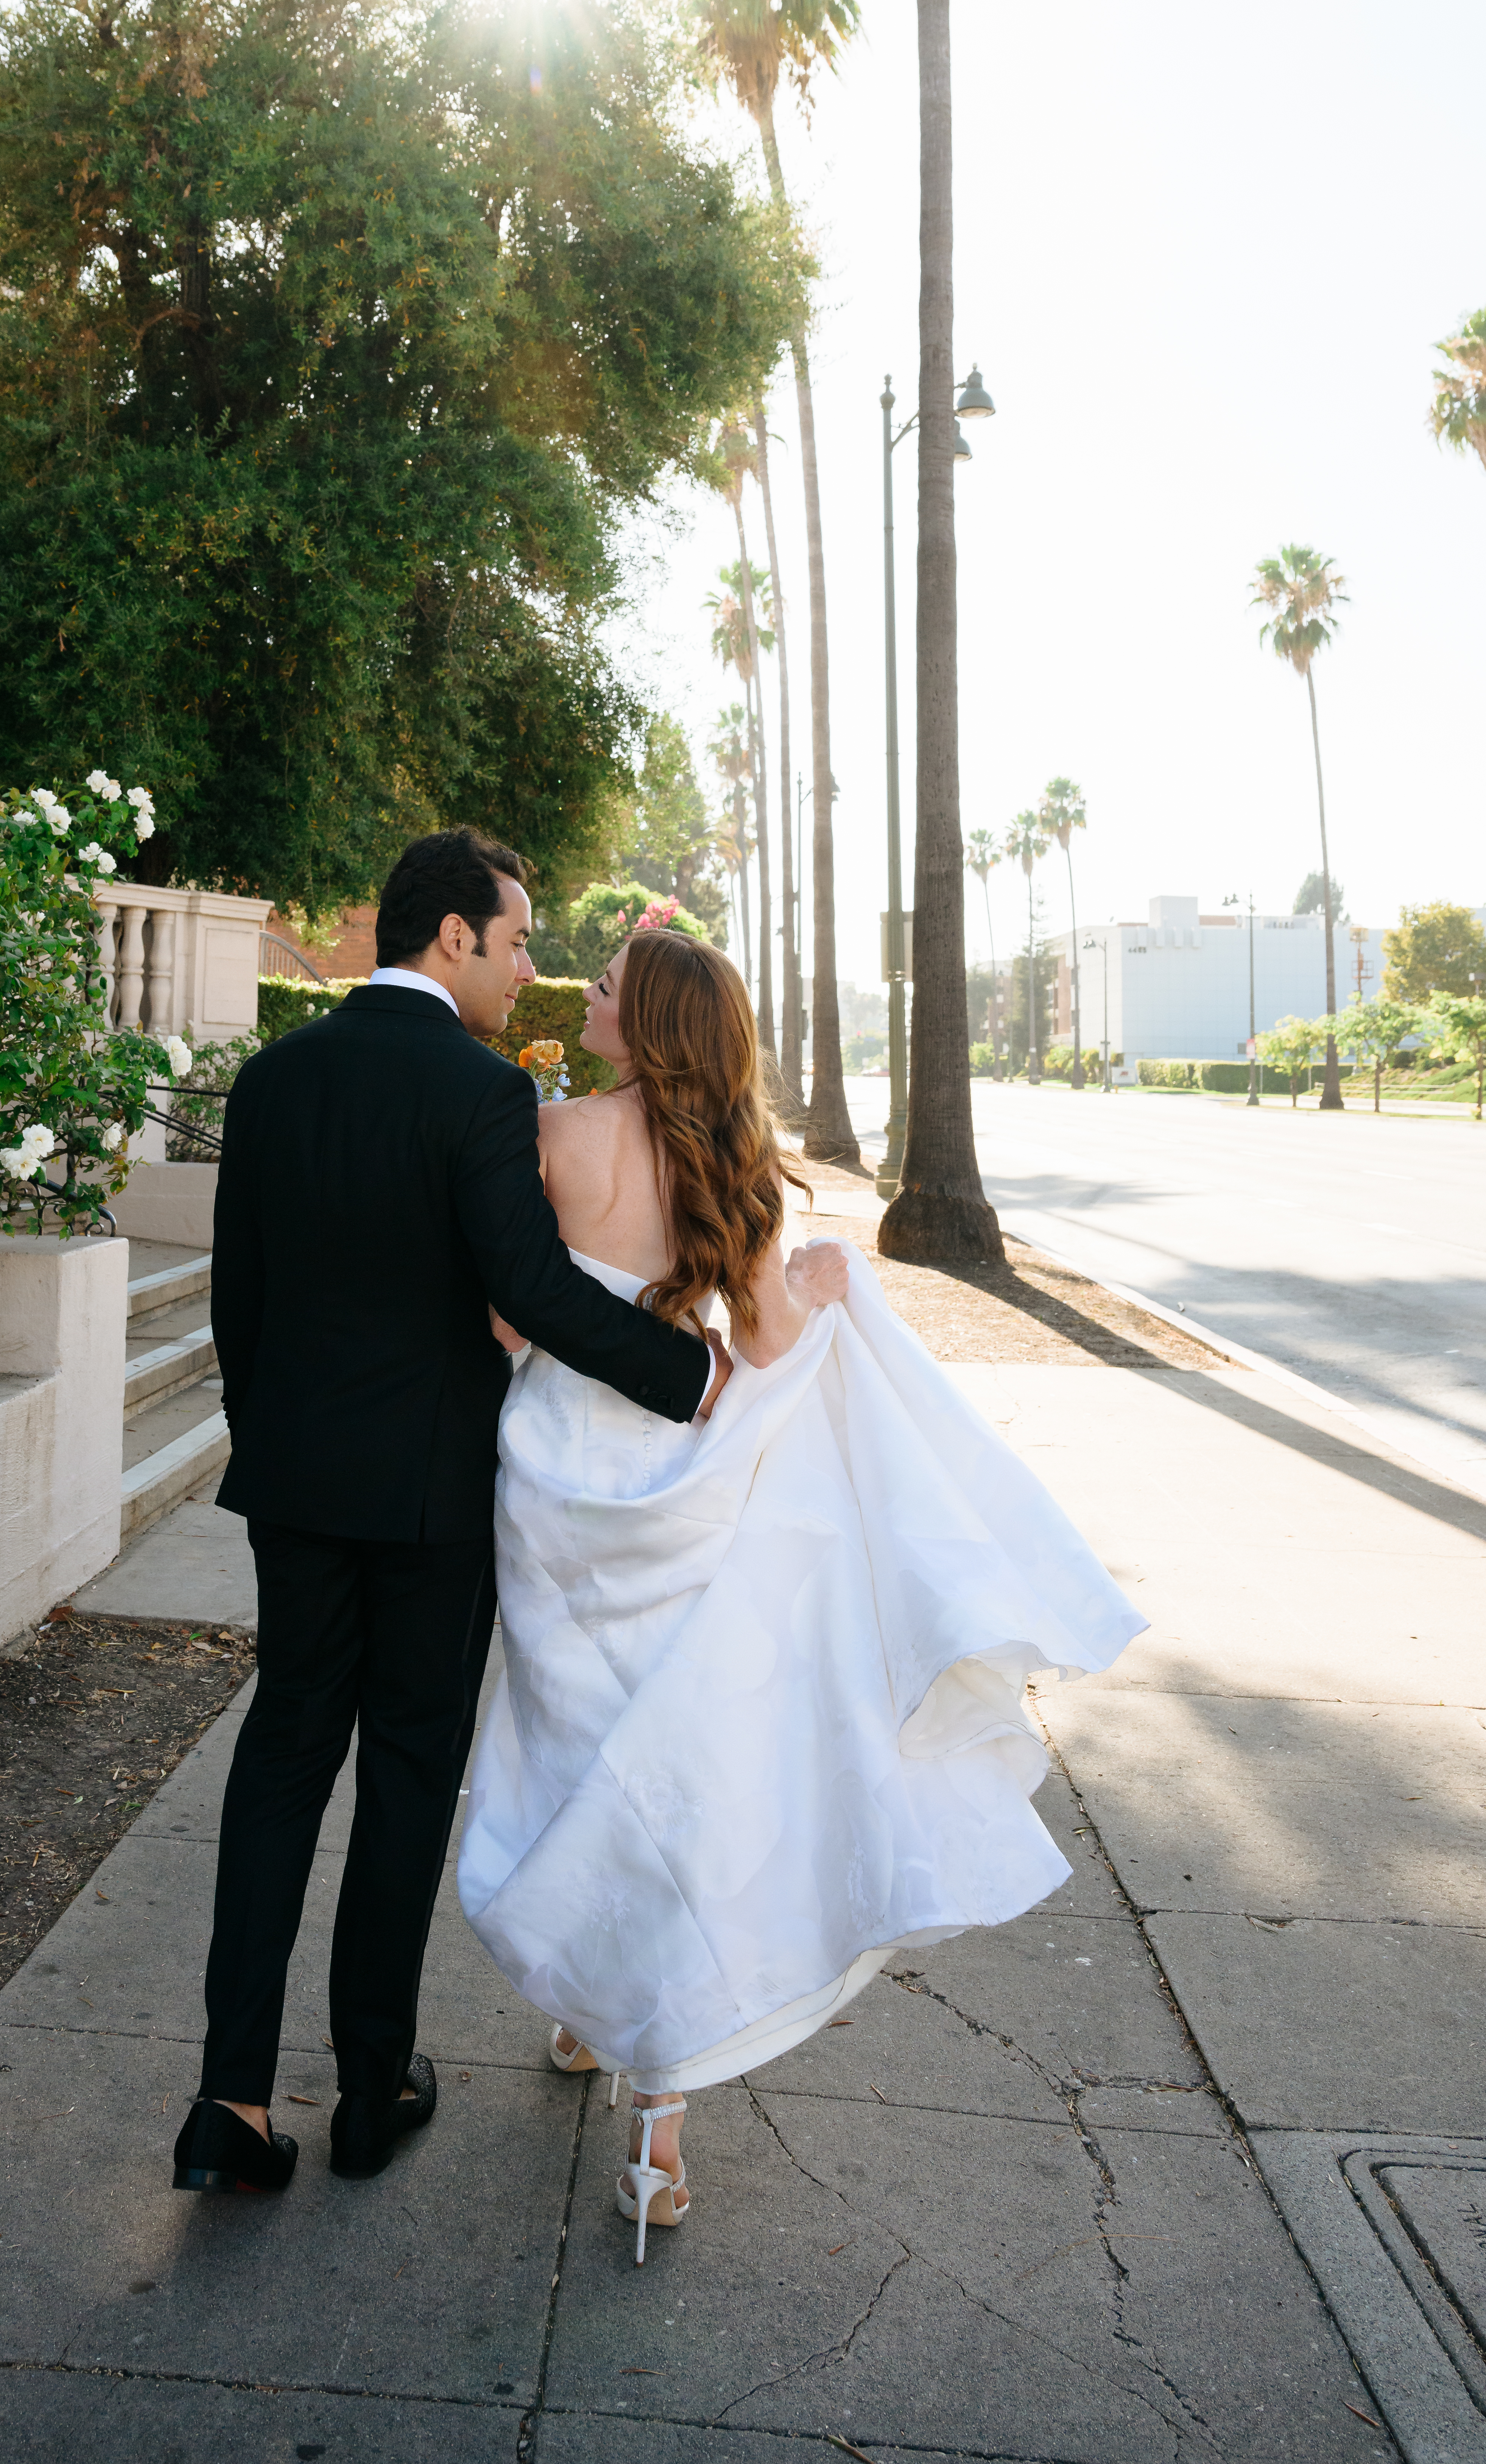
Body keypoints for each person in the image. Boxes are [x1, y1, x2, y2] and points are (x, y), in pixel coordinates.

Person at [172, 830, 842, 2197]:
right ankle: (371, 2090)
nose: (533, 969)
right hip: (432, 1494)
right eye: (521, 940)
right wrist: (690, 1376)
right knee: (408, 1777)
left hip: (294, 1486)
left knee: (281, 1761)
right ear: (453, 939)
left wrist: (276, 1449)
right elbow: (531, 1291)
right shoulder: (480, 1096)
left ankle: (229, 2103)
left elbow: (236, 1301)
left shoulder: (273, 1079)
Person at [460, 927, 1146, 2259]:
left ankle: (598, 2005)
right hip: (685, 1476)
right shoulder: (737, 1165)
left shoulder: (555, 1139)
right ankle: (654, 2116)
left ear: (647, 1024)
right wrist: (822, 1287)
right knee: (671, 1768)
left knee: (572, 1751)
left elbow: (511, 1318)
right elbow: (770, 1342)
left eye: (605, 986)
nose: (584, 995)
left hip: (558, 1485)